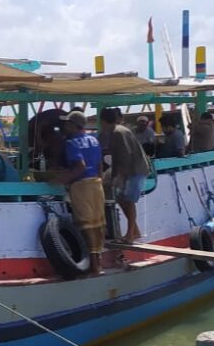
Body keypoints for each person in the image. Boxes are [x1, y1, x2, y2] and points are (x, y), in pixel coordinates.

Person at [53, 110, 105, 274]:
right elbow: (99, 166)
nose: (65, 126)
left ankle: (94, 265)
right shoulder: (94, 140)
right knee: (98, 223)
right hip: (96, 183)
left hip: (82, 186)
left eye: (67, 123)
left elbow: (80, 167)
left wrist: (60, 180)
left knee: (85, 224)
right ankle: (99, 261)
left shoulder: (71, 143)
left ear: (74, 125)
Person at [100, 108, 150, 243]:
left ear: (104, 121)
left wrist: (120, 178)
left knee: (128, 200)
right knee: (121, 199)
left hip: (135, 170)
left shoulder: (118, 133)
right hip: (131, 170)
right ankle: (135, 231)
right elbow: (116, 158)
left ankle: (130, 235)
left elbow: (125, 156)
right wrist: (114, 176)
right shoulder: (116, 132)